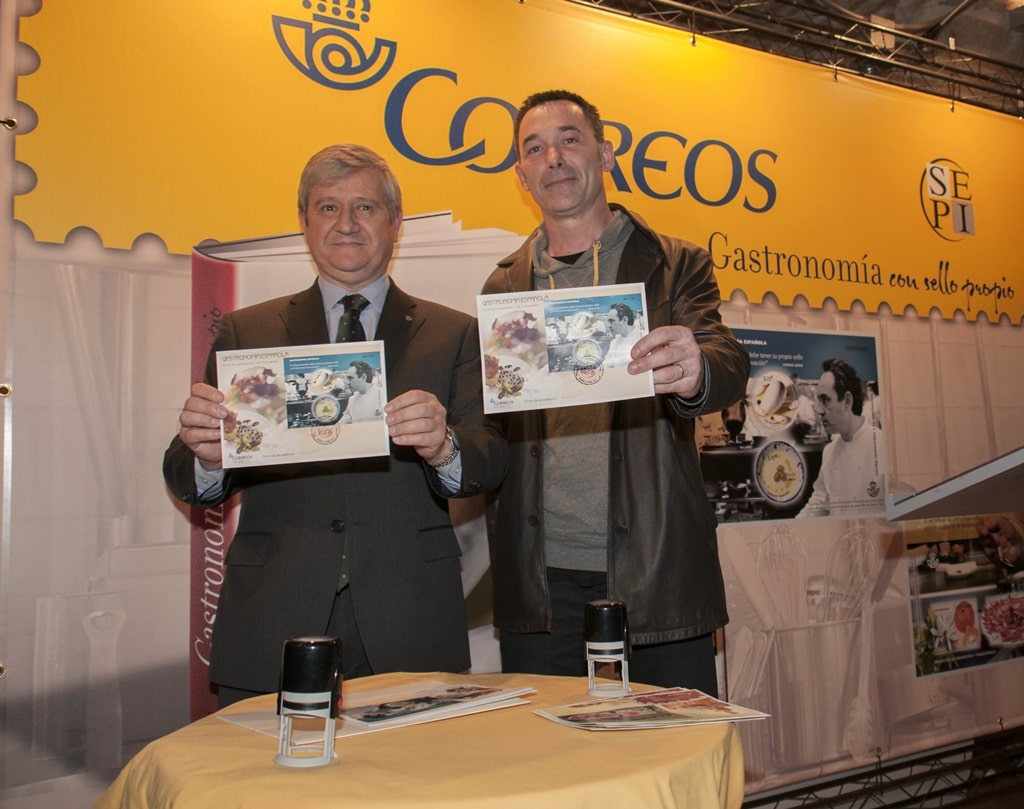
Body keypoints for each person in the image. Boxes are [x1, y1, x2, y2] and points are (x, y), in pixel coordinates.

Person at [164, 144, 508, 706]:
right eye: (328, 207)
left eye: (365, 207)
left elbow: (489, 461)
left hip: (409, 612)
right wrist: (207, 455)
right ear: (304, 221)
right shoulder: (247, 333)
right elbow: (186, 471)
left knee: (405, 767)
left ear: (395, 222)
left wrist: (445, 447)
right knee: (260, 766)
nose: (346, 223)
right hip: (274, 607)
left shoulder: (455, 333)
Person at [482, 90, 750, 695]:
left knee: (676, 745)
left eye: (569, 139)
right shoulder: (504, 286)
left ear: (604, 155)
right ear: (521, 175)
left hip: (655, 568)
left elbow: (728, 359)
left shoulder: (675, 263)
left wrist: (698, 369)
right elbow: (496, 426)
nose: (553, 158)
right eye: (534, 149)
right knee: (549, 751)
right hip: (541, 579)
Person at [796, 357, 886, 518]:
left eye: (825, 400)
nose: (819, 410)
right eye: (818, 400)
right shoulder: (830, 451)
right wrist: (792, 526)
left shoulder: (881, 446)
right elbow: (819, 502)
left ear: (847, 401)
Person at [602, 302, 642, 368]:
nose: (608, 325)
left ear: (624, 320)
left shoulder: (643, 337)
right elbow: (606, 365)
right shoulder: (614, 342)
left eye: (612, 321)